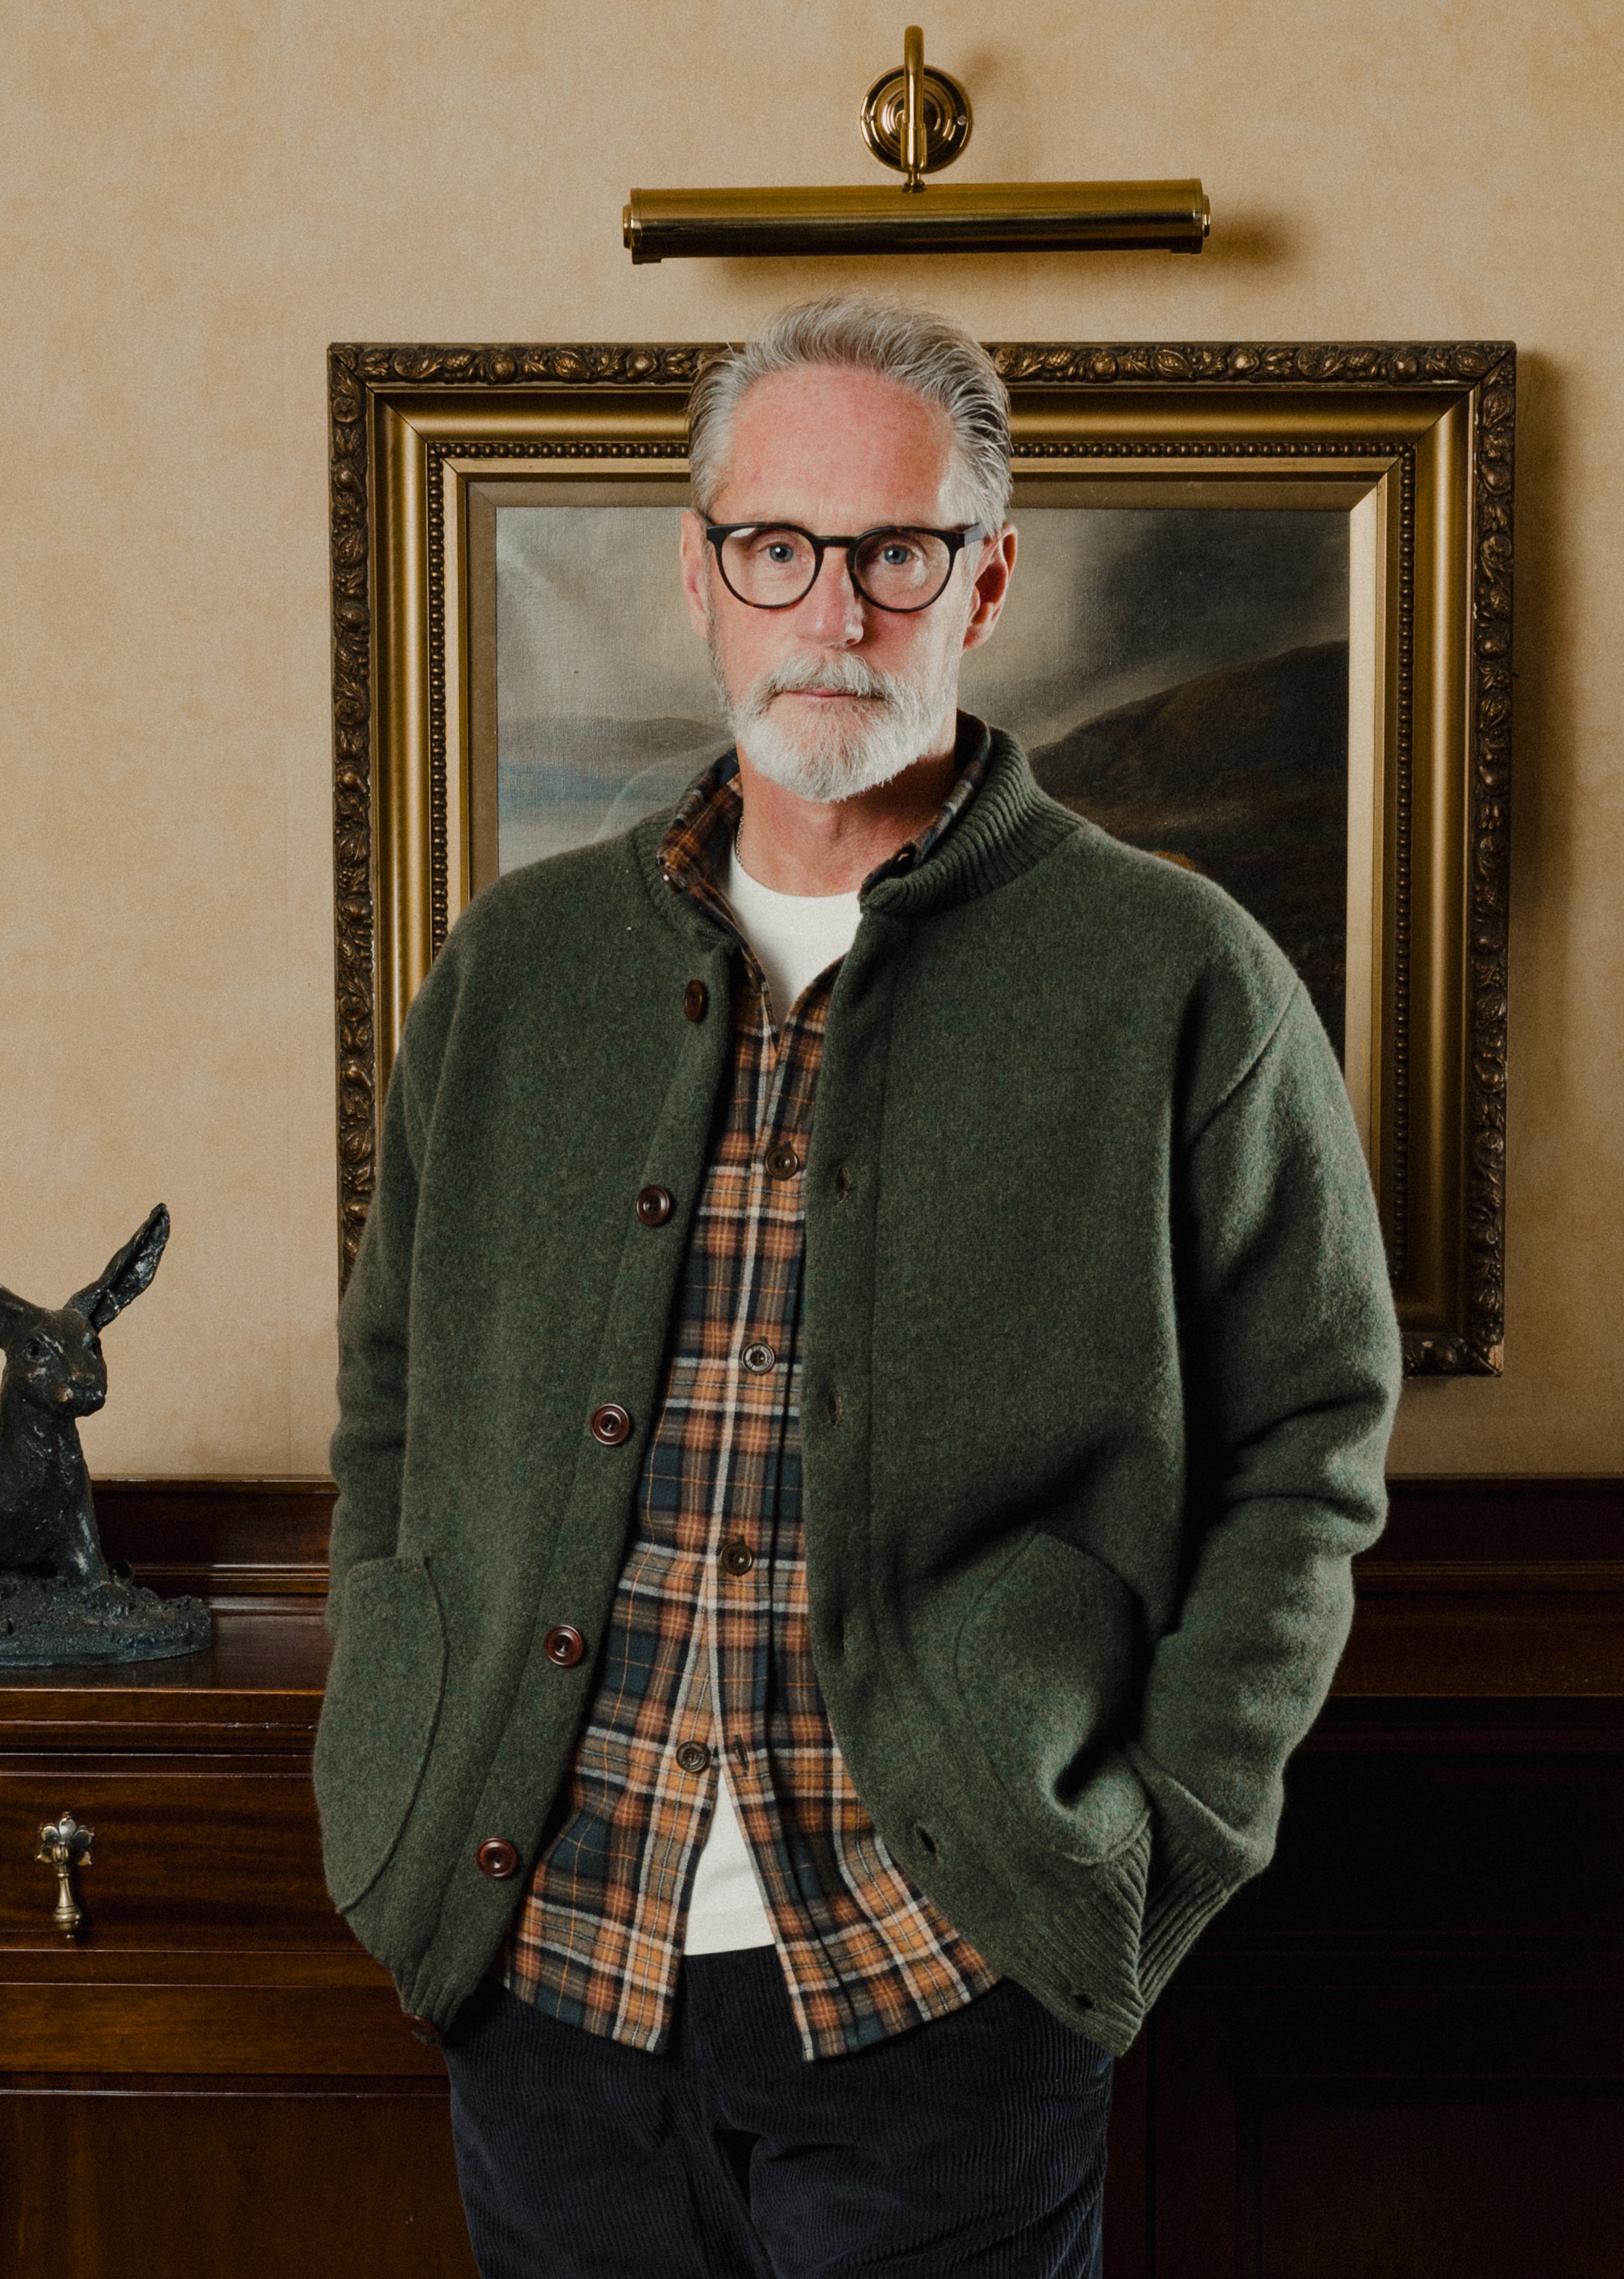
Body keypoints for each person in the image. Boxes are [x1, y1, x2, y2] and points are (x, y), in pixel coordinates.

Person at [316, 293, 1403, 2279]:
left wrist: (1148, 1855)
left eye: (896, 552)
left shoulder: (1178, 975)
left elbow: (1310, 1447)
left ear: (984, 578)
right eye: (777, 548)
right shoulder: (517, 969)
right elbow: (395, 1391)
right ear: (702, 573)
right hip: (541, 1954)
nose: (833, 612)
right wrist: (389, 1751)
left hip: (948, 1981)